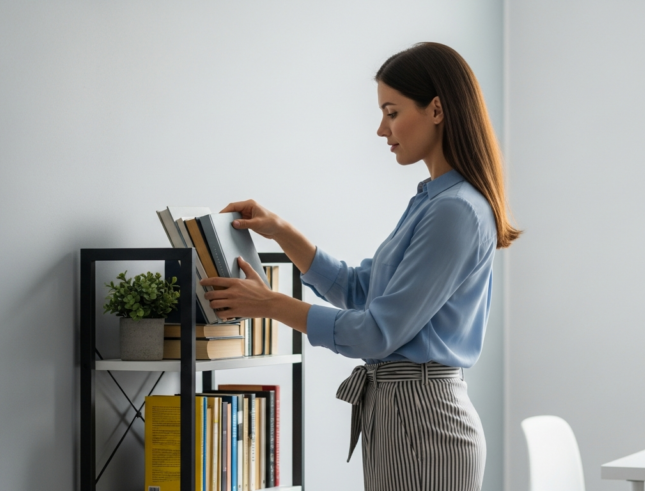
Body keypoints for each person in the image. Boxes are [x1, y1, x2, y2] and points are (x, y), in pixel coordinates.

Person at [200, 42, 520, 491]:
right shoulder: (431, 202)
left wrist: (271, 304)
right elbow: (358, 289)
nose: (380, 129)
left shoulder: (456, 211)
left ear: (436, 109)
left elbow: (376, 332)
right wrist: (283, 232)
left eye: (391, 112)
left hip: (424, 425)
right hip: (400, 415)